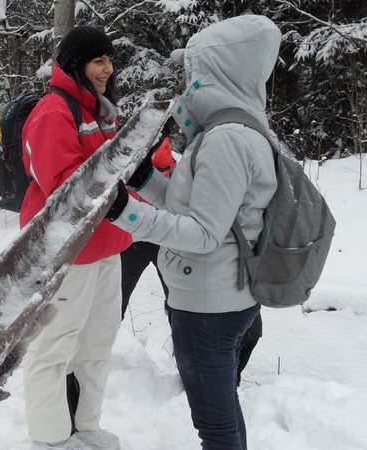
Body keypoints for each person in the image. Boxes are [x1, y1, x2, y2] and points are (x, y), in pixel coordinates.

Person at [105, 15, 281, 450]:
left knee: (216, 428)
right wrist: (147, 182)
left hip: (209, 306)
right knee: (223, 418)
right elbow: (205, 209)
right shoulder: (237, 130)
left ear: (221, 70)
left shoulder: (227, 140)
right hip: (223, 295)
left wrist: (127, 213)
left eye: (197, 73)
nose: (190, 84)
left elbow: (202, 233)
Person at [19, 25, 131, 450]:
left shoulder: (101, 109)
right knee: (53, 348)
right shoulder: (53, 111)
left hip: (107, 245)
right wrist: (123, 196)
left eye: (109, 59)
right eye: (98, 60)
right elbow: (63, 185)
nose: (107, 68)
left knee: (96, 345)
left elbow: (118, 169)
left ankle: (86, 430)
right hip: (68, 250)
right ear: (75, 64)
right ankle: (50, 441)